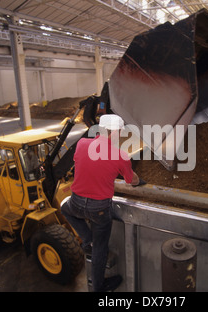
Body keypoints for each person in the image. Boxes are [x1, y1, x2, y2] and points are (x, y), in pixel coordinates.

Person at [61, 114, 145, 292]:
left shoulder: (82, 144)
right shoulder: (120, 155)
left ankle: (86, 238)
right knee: (100, 249)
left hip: (76, 202)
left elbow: (84, 166)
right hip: (99, 209)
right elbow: (132, 180)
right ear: (115, 132)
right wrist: (140, 180)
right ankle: (99, 288)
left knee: (64, 207)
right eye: (120, 132)